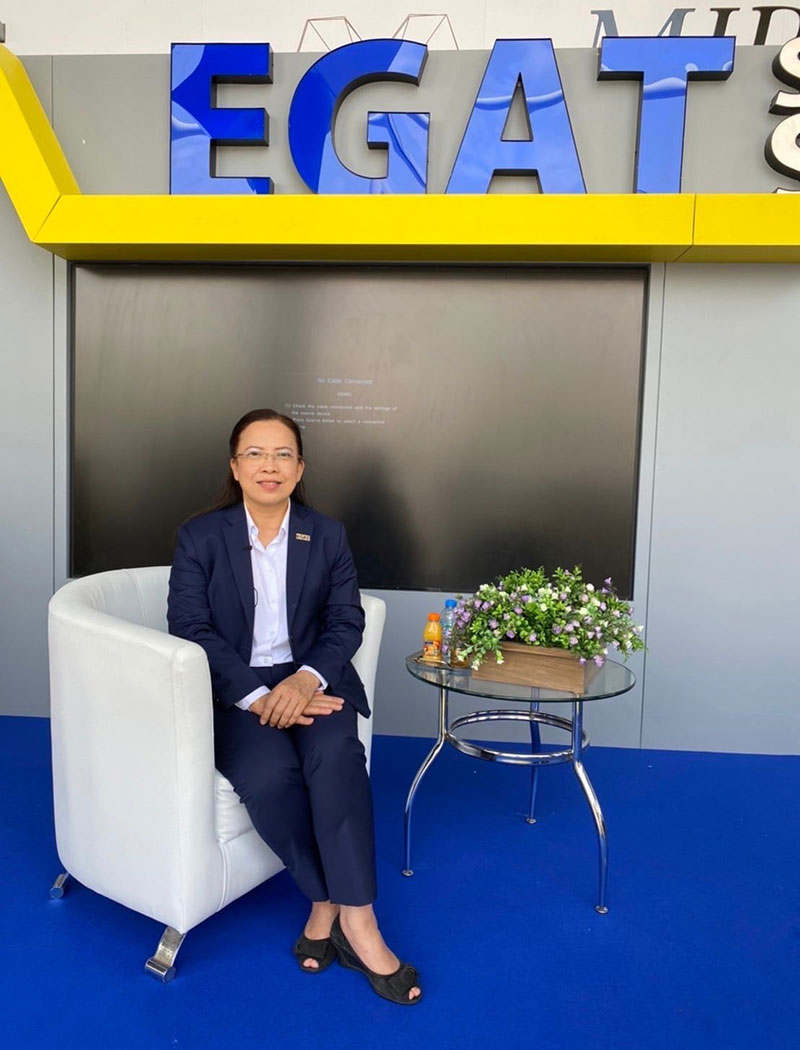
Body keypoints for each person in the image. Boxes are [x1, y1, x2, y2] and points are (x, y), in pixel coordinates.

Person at [167, 408, 422, 1005]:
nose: (270, 466)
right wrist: (259, 696)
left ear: (300, 467)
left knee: (336, 759)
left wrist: (305, 679)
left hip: (312, 680)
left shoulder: (325, 534)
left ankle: (359, 921)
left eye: (283, 454)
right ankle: (324, 899)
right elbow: (190, 626)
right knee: (268, 776)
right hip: (236, 692)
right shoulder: (200, 536)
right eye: (255, 453)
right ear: (235, 467)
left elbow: (346, 619)